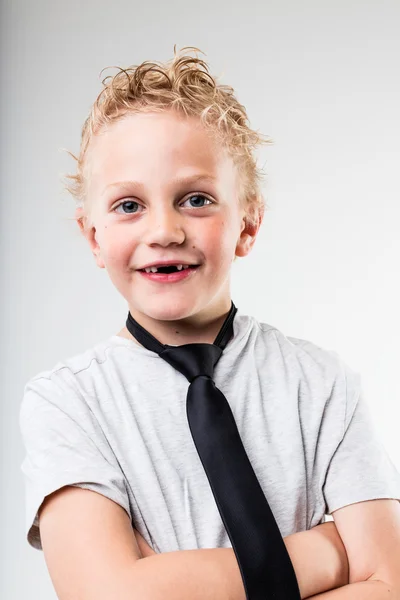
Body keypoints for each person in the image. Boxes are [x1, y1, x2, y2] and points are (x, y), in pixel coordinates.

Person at [19, 46, 400, 600]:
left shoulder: (322, 387)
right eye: (129, 205)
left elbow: (390, 584)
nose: (165, 230)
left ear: (248, 223)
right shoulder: (67, 403)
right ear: (93, 236)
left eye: (195, 199)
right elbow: (109, 595)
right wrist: (328, 553)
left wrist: (168, 581)